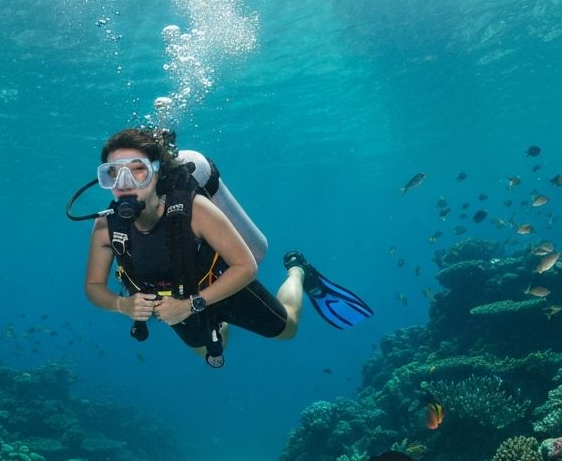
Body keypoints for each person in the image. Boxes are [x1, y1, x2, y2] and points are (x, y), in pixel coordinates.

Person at [83, 128, 371, 366]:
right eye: (112, 173)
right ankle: (217, 326)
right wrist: (122, 305)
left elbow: (247, 267)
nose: (124, 183)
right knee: (206, 352)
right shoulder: (106, 228)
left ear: (157, 174)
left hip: (224, 286)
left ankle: (298, 272)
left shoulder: (193, 209)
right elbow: (94, 286)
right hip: (172, 303)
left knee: (289, 329)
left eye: (137, 171)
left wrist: (194, 305)